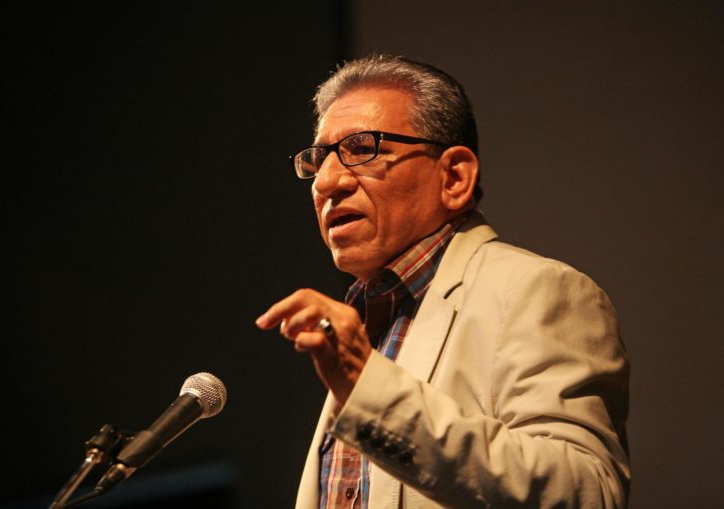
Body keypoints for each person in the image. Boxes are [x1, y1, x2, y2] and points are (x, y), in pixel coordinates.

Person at [255, 54, 630, 509]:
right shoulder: (371, 321)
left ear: (454, 177)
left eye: (362, 148)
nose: (327, 181)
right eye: (319, 159)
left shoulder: (538, 291)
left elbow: (587, 490)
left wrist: (371, 393)